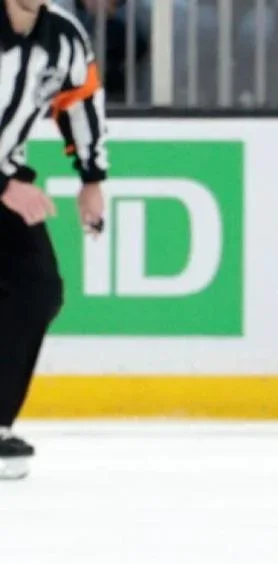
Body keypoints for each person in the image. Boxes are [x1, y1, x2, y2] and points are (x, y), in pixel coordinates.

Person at [0, 0, 108, 480]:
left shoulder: (64, 36)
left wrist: (91, 179)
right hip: (3, 185)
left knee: (37, 288)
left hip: (5, 180)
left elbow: (80, 100)